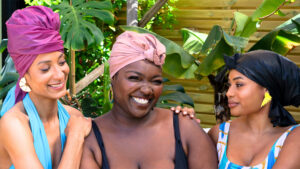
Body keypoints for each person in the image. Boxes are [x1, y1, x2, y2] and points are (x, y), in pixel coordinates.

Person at [80, 31, 218, 169]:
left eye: (156, 81)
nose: (146, 90)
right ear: (113, 79)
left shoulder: (184, 128)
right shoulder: (91, 138)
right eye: (134, 78)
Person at [0, 6, 91, 169]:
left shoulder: (74, 116)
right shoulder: (14, 124)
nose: (59, 74)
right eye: (45, 69)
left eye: (62, 62)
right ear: (25, 76)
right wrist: (75, 137)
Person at [208, 50, 300, 169]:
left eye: (239, 84)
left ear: (267, 90)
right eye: (229, 85)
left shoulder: (294, 138)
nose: (229, 93)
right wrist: (183, 121)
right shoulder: (219, 134)